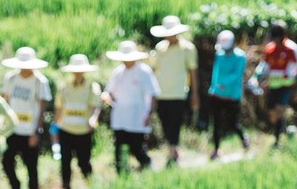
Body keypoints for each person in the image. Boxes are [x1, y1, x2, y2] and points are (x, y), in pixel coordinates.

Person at [1, 47, 51, 189]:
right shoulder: (10, 78)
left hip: (30, 131)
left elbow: (42, 108)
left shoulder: (40, 81)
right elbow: (4, 101)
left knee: (31, 167)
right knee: (7, 160)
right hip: (13, 129)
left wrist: (36, 131)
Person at [102, 41, 160, 174]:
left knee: (137, 148)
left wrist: (148, 115)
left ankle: (148, 168)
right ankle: (121, 175)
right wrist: (105, 96)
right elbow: (109, 91)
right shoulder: (118, 72)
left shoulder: (144, 71)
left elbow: (152, 95)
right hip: (120, 117)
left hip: (138, 118)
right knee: (120, 149)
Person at [150, 16, 199, 167]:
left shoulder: (187, 48)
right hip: (161, 92)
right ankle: (172, 148)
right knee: (164, 121)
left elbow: (192, 72)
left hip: (178, 92)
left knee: (175, 122)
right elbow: (153, 70)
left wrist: (194, 94)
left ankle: (172, 150)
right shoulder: (159, 48)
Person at [54, 55, 100, 189]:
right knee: (65, 162)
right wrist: (55, 127)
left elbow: (95, 107)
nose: (78, 73)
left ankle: (91, 188)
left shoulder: (92, 87)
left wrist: (93, 119)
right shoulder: (64, 87)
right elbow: (59, 108)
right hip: (66, 130)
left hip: (83, 131)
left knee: (84, 162)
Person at [252, 22, 297, 148]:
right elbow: (264, 66)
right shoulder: (270, 49)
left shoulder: (292, 49)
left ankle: (277, 141)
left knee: (280, 110)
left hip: (286, 86)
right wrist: (256, 78)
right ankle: (286, 129)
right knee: (272, 114)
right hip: (273, 86)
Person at [208, 30, 249, 160]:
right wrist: (214, 86)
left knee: (233, 123)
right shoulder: (219, 55)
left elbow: (237, 74)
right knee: (216, 123)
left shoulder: (240, 57)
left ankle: (244, 140)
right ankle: (216, 149)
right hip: (217, 95)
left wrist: (223, 83)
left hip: (232, 95)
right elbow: (216, 72)